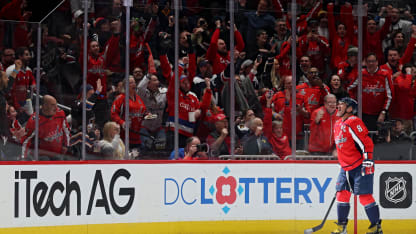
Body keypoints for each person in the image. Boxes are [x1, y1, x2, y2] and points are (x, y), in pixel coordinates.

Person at [332, 97, 382, 234]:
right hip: (346, 167)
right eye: (338, 104)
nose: (338, 107)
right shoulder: (337, 124)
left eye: (342, 105)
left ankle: (376, 227)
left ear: (349, 109)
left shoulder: (353, 122)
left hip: (361, 165)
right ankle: (342, 227)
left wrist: (368, 160)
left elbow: (366, 142)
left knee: (364, 196)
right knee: (342, 194)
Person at [21, 95, 71, 161]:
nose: (56, 108)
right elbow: (26, 140)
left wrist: (66, 145)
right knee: (45, 159)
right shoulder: (34, 121)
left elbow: (66, 131)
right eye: (53, 105)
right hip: (41, 155)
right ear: (44, 106)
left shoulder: (60, 113)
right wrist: (23, 158)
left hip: (58, 154)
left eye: (56, 104)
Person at [111, 77, 147, 150]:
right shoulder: (120, 98)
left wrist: (147, 115)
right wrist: (122, 122)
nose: (133, 84)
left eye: (134, 82)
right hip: (123, 135)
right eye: (130, 83)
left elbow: (143, 111)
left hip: (137, 135)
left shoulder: (138, 98)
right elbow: (113, 114)